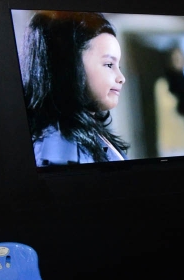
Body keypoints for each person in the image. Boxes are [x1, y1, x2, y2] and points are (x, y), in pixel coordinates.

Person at [22, 11, 128, 165]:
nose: (121, 78)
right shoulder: (60, 150)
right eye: (109, 64)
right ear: (69, 66)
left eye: (119, 66)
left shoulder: (91, 134)